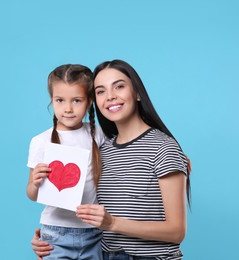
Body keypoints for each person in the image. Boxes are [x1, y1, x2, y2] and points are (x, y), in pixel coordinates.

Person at [32, 59, 191, 260]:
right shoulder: (101, 149)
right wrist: (52, 238)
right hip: (103, 254)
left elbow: (177, 232)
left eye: (119, 86)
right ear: (94, 101)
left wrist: (113, 223)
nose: (110, 97)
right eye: (100, 91)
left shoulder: (163, 148)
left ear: (138, 93)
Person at [26, 64, 105, 259]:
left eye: (77, 101)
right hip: (55, 232)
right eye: (60, 100)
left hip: (94, 232)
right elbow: (31, 195)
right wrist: (35, 182)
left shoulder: (98, 134)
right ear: (51, 101)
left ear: (89, 102)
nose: (68, 109)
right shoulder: (41, 141)